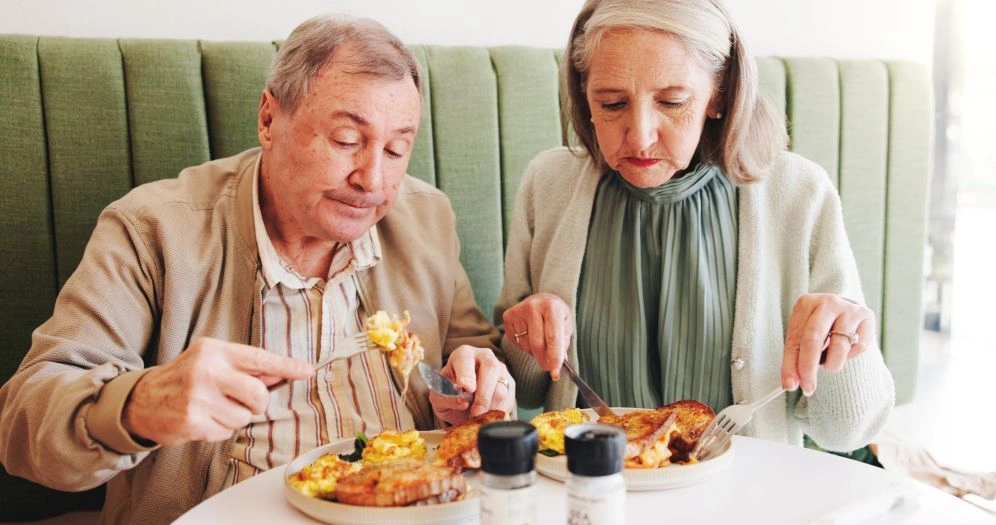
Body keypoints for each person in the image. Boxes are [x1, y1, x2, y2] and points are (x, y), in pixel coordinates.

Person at [0, 14, 514, 524]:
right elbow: (23, 420)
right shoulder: (153, 230)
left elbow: (468, 355)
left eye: (397, 148)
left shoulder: (427, 219)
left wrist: (476, 386)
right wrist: (140, 406)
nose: (373, 179)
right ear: (269, 120)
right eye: (345, 140)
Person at [496, 0, 894, 452]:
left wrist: (843, 346)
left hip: (747, 490)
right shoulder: (547, 184)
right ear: (584, 95)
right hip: (590, 486)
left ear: (718, 95)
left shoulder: (800, 193)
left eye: (672, 102)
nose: (640, 135)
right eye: (612, 103)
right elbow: (525, 392)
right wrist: (529, 335)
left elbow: (846, 432)